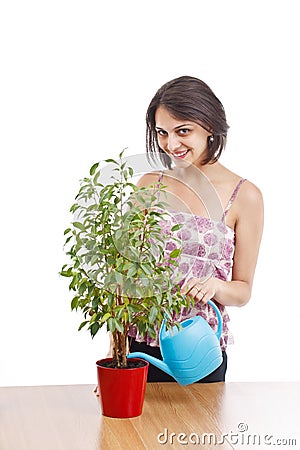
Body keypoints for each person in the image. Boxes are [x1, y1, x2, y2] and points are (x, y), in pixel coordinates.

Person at [127, 75, 264, 383]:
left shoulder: (245, 196)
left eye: (183, 131)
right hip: (141, 349)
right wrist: (115, 357)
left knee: (197, 434)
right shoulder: (149, 185)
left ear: (210, 127)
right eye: (162, 133)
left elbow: (242, 290)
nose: (171, 144)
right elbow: (125, 280)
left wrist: (216, 286)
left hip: (201, 352)